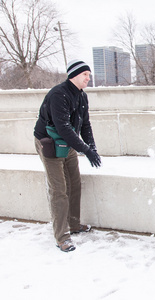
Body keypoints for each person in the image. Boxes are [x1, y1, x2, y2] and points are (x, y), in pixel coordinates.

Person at [34, 59, 101, 252]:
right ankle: (62, 237)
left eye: (89, 74)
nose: (89, 78)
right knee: (59, 190)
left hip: (68, 144)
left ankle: (74, 224)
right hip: (50, 143)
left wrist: (92, 148)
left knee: (74, 183)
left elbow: (85, 125)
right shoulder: (58, 94)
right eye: (85, 74)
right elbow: (62, 127)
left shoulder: (82, 96)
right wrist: (85, 150)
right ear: (74, 75)